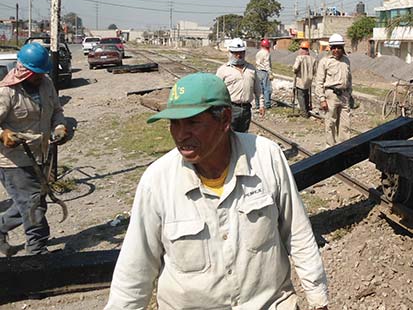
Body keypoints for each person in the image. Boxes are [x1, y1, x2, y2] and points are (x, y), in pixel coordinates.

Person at [106, 73, 329, 310]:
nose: (180, 135)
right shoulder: (157, 181)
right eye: (174, 123)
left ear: (224, 120)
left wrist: (318, 299)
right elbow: (134, 271)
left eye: (192, 122)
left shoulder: (266, 157)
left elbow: (298, 233)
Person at [0, 43, 68, 257]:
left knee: (31, 201)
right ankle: (36, 250)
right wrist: (3, 134)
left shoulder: (46, 84)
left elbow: (57, 110)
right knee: (33, 204)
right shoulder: (7, 91)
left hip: (40, 155)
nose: (40, 76)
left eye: (42, 72)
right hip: (13, 161)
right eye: (36, 73)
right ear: (25, 70)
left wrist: (60, 126)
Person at [215, 38, 265, 132]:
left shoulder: (251, 69)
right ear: (230, 53)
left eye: (242, 52)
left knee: (243, 137)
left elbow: (258, 89)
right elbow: (216, 91)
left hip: (246, 109)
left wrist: (261, 105)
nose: (239, 55)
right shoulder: (223, 70)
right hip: (230, 109)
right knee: (229, 136)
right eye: (236, 53)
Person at [314, 33, 352, 147]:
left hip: (344, 96)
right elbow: (319, 82)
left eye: (339, 47)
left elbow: (349, 79)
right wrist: (322, 99)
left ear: (342, 48)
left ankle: (344, 148)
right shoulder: (325, 62)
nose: (336, 50)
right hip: (331, 95)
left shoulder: (346, 61)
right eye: (334, 47)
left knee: (345, 124)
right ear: (330, 48)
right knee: (330, 123)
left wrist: (350, 94)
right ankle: (330, 147)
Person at [293, 40, 315, 118]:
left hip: (300, 80)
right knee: (306, 95)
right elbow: (315, 70)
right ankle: (307, 108)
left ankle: (304, 112)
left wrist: (295, 70)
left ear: (302, 49)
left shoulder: (299, 58)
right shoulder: (312, 59)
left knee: (300, 96)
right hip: (309, 81)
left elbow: (295, 68)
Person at [255, 38, 273, 109]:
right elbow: (267, 64)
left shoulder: (258, 53)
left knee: (259, 89)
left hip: (258, 71)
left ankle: (257, 105)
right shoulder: (266, 53)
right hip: (264, 72)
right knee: (267, 89)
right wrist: (270, 73)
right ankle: (267, 104)